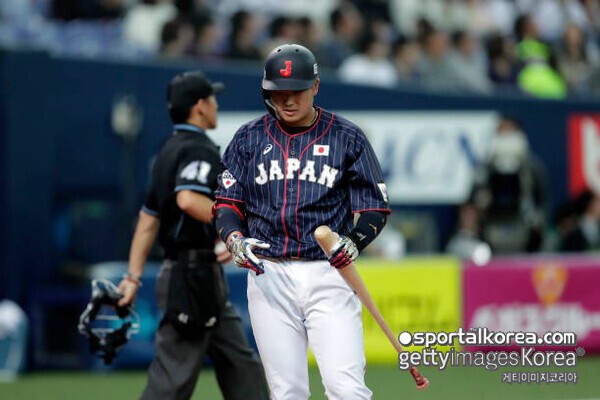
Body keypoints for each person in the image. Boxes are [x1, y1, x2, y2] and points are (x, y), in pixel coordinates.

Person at [212, 44, 390, 399]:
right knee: (286, 392)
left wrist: (354, 242)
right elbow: (227, 203)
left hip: (328, 272)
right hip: (268, 274)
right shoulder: (248, 137)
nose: (288, 100)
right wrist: (233, 238)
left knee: (345, 388)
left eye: (297, 91)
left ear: (316, 87)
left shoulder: (347, 136)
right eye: (279, 92)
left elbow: (375, 207)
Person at [117, 71, 268, 400]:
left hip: (195, 274)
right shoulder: (197, 149)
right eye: (212, 99)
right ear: (200, 106)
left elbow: (148, 220)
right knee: (172, 379)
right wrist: (233, 230)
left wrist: (133, 276)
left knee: (242, 367)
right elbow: (188, 199)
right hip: (190, 277)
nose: (216, 105)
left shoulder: (168, 151)